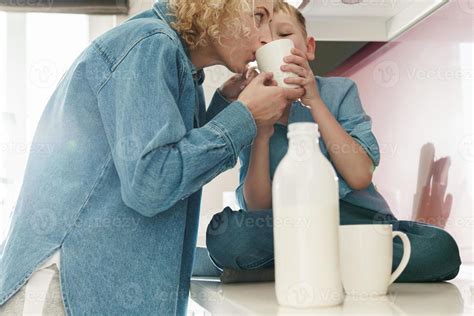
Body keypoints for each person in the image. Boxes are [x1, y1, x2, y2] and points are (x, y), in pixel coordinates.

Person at [0, 0, 306, 315]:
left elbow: (173, 164)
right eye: (258, 16)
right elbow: (151, 183)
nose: (267, 38)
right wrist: (244, 116)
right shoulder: (150, 45)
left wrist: (229, 106)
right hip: (66, 290)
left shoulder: (172, 60)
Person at [203, 1, 461, 283]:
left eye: (284, 34)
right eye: (264, 40)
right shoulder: (251, 110)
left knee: (440, 248)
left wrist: (313, 101)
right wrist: (261, 133)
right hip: (290, 227)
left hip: (357, 225)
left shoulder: (339, 91)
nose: (274, 43)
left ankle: (305, 262)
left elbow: (360, 176)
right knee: (229, 237)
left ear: (309, 47)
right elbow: (258, 206)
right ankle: (346, 262)